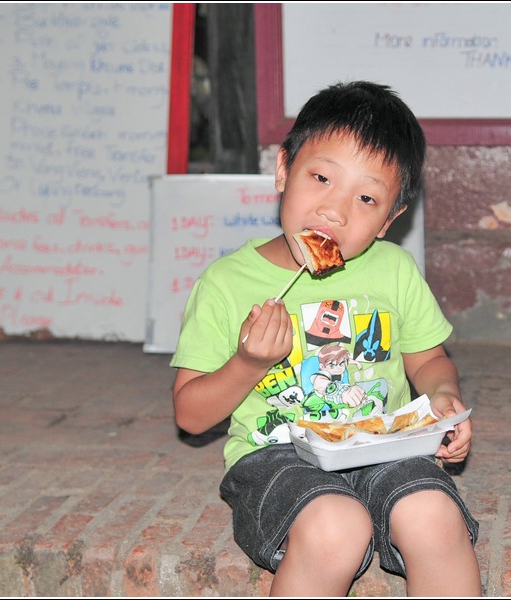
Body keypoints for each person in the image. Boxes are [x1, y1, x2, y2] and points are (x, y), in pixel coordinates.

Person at [171, 81, 482, 596]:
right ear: (282, 169)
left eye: (366, 198)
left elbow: (429, 361)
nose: (335, 212)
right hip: (275, 455)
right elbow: (190, 415)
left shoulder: (394, 270)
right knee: (337, 528)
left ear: (388, 220)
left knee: (432, 514)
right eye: (320, 178)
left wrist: (443, 394)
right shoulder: (226, 283)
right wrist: (248, 363)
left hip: (383, 444)